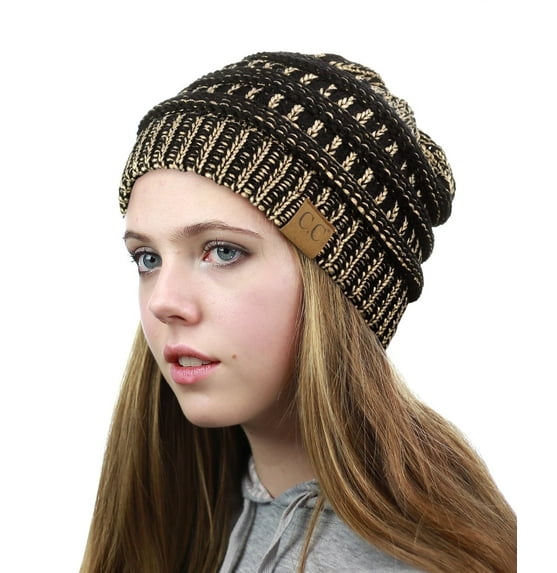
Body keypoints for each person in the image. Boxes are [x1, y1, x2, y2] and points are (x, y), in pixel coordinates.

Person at [81, 52, 516, 572]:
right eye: (147, 259)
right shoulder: (184, 518)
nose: (163, 301)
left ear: (339, 287)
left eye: (223, 251)